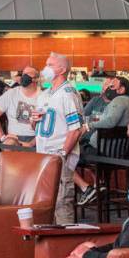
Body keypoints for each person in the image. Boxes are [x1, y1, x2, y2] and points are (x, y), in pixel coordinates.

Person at [33, 53, 84, 224]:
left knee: (62, 203)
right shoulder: (45, 94)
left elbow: (75, 129)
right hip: (43, 155)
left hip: (58, 156)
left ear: (62, 69)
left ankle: (65, 244)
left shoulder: (68, 94)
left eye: (50, 65)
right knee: (46, 203)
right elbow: (38, 127)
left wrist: (62, 154)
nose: (45, 68)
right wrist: (34, 122)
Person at [76, 77, 129, 205]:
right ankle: (99, 184)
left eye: (112, 86)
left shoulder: (119, 100)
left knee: (67, 154)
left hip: (104, 153)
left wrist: (89, 126)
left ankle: (87, 188)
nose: (108, 89)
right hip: (118, 152)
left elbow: (110, 121)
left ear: (122, 89)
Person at [0, 66, 40, 147]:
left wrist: (32, 143)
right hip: (13, 137)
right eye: (23, 74)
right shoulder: (11, 93)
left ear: (36, 79)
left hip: (36, 138)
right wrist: (2, 137)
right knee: (8, 144)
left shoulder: (43, 96)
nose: (24, 77)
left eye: (28, 74)